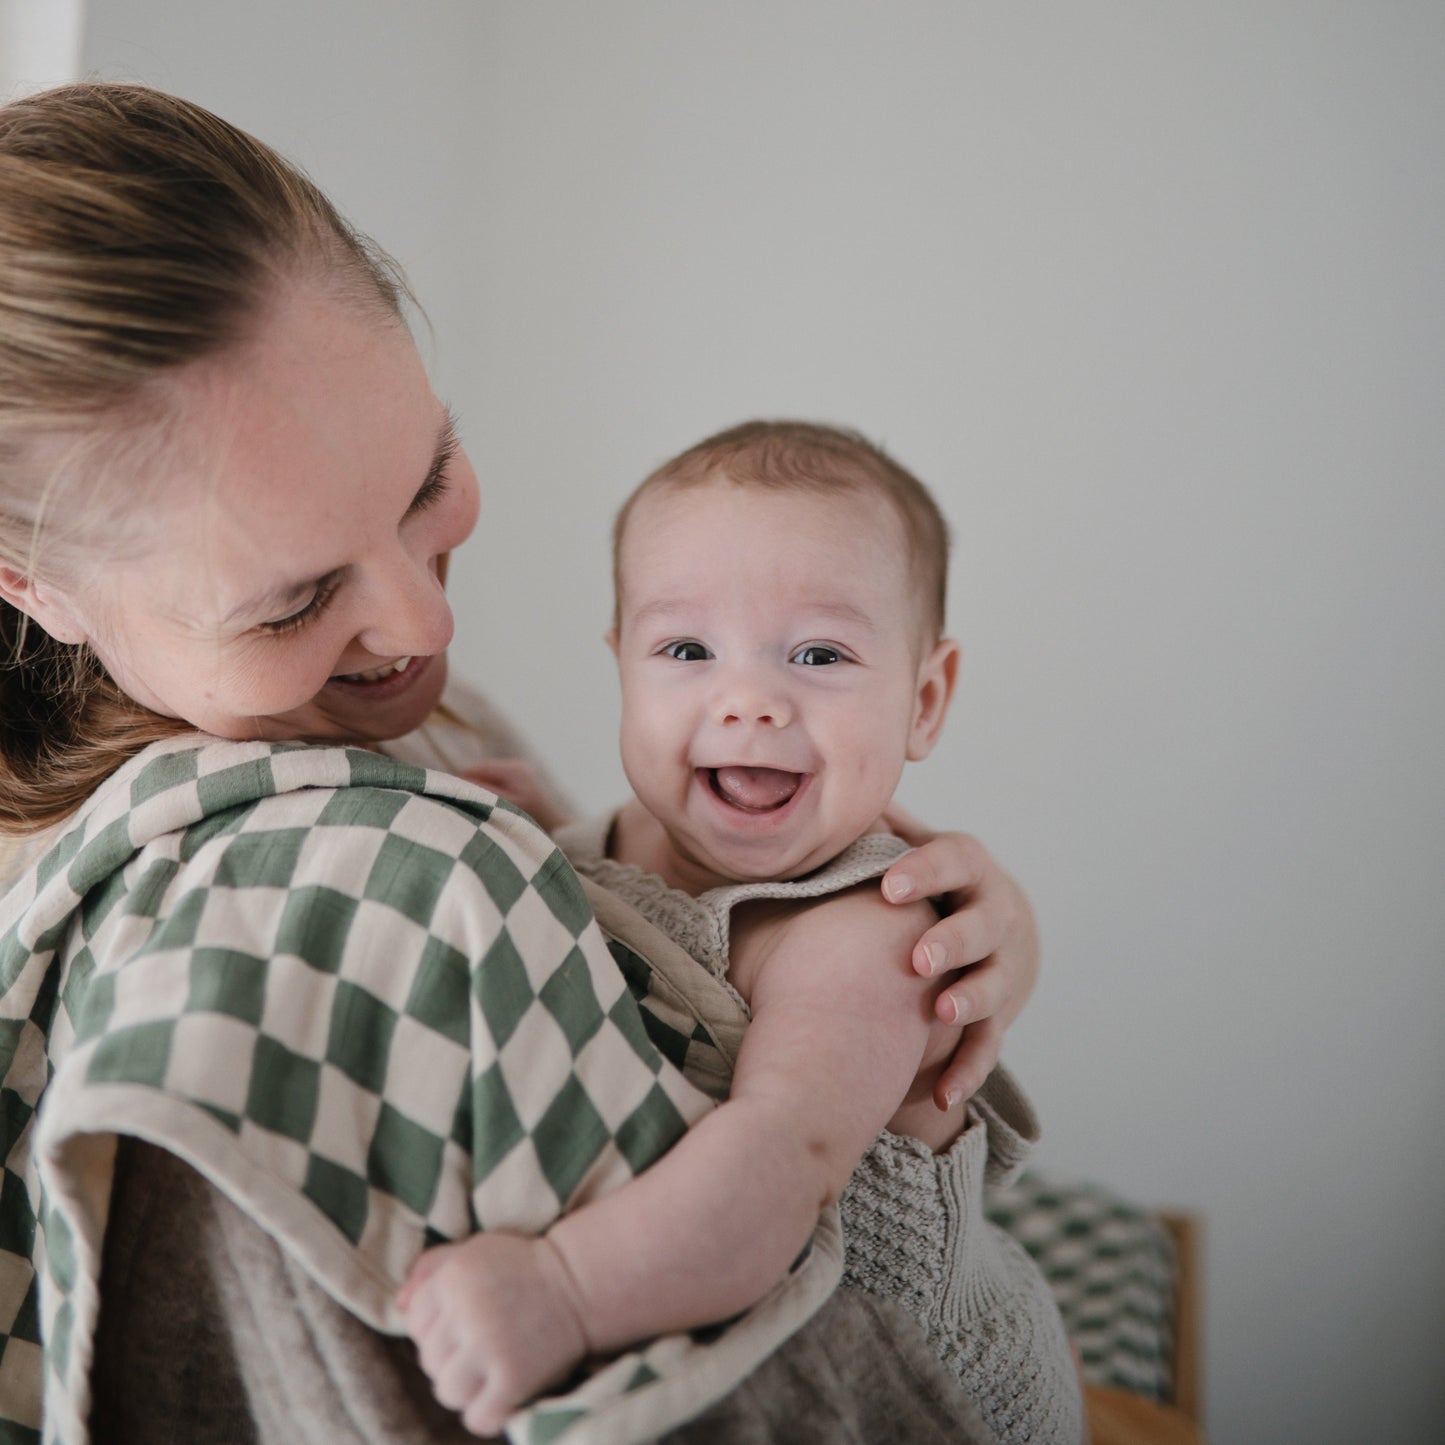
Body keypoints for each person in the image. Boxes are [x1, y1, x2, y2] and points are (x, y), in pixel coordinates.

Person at [0, 83, 1041, 1444]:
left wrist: (974, 927)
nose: (425, 623)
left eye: (427, 474)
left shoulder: (432, 726)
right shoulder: (312, 894)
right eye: (293, 598)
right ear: (37, 589)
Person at [399, 422, 1082, 1444]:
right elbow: (653, 934)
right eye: (685, 649)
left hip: (911, 1391)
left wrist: (562, 1291)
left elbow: (775, 1167)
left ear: (923, 699)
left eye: (818, 653)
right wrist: (549, 843)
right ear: (623, 665)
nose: (750, 700)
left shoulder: (864, 931)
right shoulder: (619, 839)